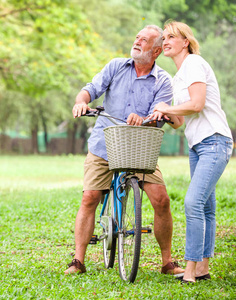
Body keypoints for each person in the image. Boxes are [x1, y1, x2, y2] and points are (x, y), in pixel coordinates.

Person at [65, 25, 184, 276]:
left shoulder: (163, 80)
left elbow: (160, 113)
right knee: (90, 198)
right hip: (104, 144)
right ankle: (78, 260)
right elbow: (91, 88)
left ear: (156, 51)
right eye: (137, 38)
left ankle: (167, 262)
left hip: (140, 148)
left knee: (161, 200)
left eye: (144, 40)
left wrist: (145, 118)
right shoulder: (116, 66)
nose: (137, 42)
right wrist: (81, 101)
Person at [151, 21, 233, 283]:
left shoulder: (195, 63)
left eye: (171, 37)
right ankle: (202, 268)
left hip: (214, 140)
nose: (165, 41)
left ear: (185, 41)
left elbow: (196, 104)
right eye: (163, 38)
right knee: (207, 207)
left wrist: (167, 106)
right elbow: (181, 120)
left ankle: (189, 272)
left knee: (192, 202)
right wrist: (163, 113)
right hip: (198, 145)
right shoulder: (178, 76)